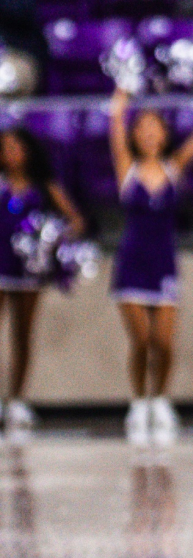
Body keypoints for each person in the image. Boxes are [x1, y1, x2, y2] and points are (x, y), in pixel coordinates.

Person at [108, 82, 193, 444]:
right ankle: (139, 401)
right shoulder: (127, 170)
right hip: (132, 263)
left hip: (164, 262)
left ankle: (162, 400)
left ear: (165, 134)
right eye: (142, 128)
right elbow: (114, 128)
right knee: (141, 340)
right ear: (135, 135)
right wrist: (123, 92)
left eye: (156, 128)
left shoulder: (174, 169)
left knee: (165, 343)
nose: (149, 134)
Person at [0, 126, 81, 436]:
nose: (11, 154)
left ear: (28, 151)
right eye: (5, 148)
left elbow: (75, 220)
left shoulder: (43, 185)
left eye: (16, 147)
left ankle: (17, 399)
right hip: (1, 267)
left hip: (29, 272)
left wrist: (49, 236)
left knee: (22, 334)